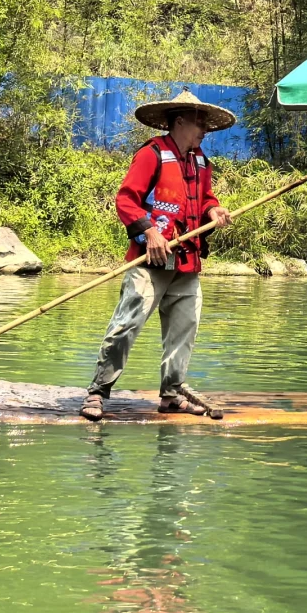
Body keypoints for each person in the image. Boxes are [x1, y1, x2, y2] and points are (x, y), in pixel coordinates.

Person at [80, 89, 235, 421]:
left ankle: (171, 394)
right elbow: (126, 200)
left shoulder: (201, 160)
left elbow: (205, 198)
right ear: (179, 122)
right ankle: (98, 392)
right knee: (127, 323)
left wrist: (214, 211)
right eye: (199, 123)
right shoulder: (151, 154)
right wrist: (149, 231)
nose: (204, 131)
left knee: (185, 328)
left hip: (187, 261)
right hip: (151, 261)